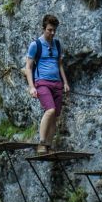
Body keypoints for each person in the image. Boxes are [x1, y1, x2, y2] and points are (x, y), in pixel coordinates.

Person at [24, 14, 70, 155]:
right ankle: (42, 143)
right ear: (43, 28)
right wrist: (32, 87)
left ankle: (49, 146)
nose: (52, 33)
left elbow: (60, 64)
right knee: (49, 110)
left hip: (57, 83)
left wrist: (65, 83)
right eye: (49, 30)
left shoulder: (57, 44)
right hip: (42, 83)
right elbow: (28, 68)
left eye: (54, 30)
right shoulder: (35, 45)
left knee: (55, 115)